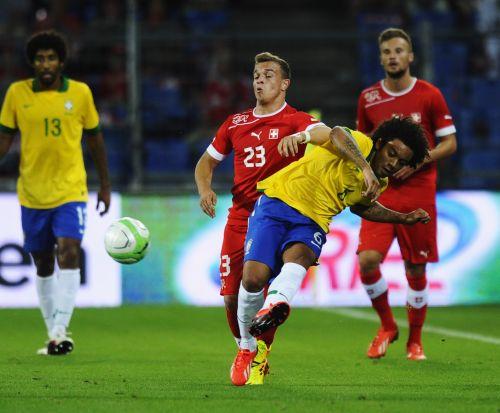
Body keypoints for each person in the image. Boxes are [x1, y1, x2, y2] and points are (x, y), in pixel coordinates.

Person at [230, 116, 431, 386]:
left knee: (301, 256)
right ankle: (246, 347)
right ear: (381, 144)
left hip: (312, 222)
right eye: (392, 153)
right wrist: (365, 167)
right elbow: (336, 133)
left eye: (402, 162)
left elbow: (361, 206)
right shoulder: (361, 144)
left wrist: (402, 218)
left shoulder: (378, 184)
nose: (394, 164)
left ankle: (274, 305)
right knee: (252, 279)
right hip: (277, 203)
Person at [194, 52, 324, 384]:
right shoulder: (235, 123)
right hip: (241, 217)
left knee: (266, 293)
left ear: (284, 84)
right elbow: (206, 162)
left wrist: (305, 137)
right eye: (255, 75)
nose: (260, 80)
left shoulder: (297, 120)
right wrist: (205, 189)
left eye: (268, 75)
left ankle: (258, 354)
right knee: (230, 295)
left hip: (282, 217)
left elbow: (326, 133)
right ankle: (244, 346)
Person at [0, 31, 111, 355]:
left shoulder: (80, 93)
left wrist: (104, 185)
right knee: (43, 262)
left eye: (51, 58)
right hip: (32, 192)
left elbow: (95, 140)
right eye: (39, 58)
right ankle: (54, 334)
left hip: (70, 189)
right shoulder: (16, 94)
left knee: (69, 251)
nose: (45, 64)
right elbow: (5, 141)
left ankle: (61, 329)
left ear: (61, 61)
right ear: (32, 63)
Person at [355, 28, 457, 361]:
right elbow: (363, 144)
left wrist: (415, 164)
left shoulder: (429, 95)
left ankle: (415, 341)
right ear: (381, 57)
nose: (393, 56)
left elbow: (450, 143)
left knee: (415, 269)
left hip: (418, 190)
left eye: (399, 50)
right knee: (368, 260)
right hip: (381, 191)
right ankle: (387, 326)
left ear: (410, 56)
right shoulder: (369, 98)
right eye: (387, 51)